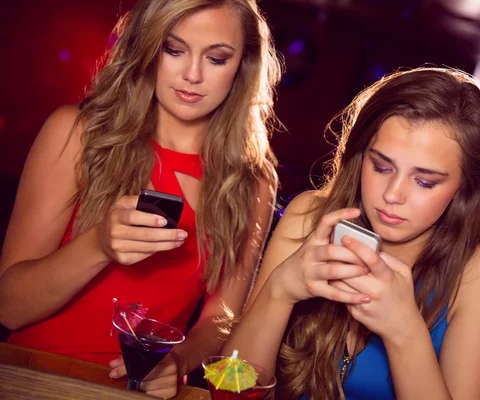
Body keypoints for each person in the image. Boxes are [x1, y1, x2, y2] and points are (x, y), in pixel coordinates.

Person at [0, 0, 281, 398]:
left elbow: (221, 317)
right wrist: (97, 245)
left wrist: (179, 361)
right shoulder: (78, 135)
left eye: (217, 58)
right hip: (34, 378)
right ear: (148, 47)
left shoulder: (252, 180)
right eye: (174, 49)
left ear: (243, 66)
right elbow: (9, 307)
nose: (193, 75)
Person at [223, 67, 480, 399]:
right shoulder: (308, 218)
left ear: (463, 188)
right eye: (381, 167)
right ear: (359, 154)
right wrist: (278, 291)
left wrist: (405, 332)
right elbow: (228, 387)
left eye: (424, 181)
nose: (392, 195)